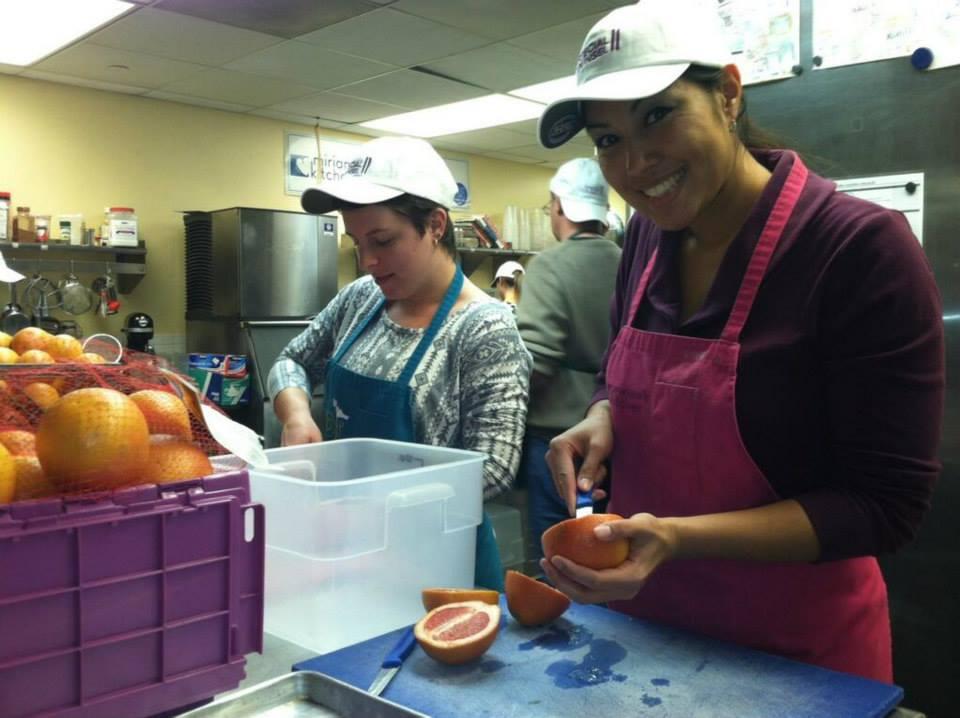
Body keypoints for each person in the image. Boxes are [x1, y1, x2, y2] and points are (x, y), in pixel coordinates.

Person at [536, 0, 944, 682]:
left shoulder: (858, 250)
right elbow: (621, 372)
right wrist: (603, 414)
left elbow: (884, 506)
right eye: (607, 140)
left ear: (727, 94)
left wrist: (676, 539)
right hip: (647, 642)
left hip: (799, 664)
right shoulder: (643, 238)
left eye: (657, 115)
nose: (634, 164)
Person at [268, 136, 532, 592]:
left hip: (435, 563)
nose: (368, 261)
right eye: (357, 242)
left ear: (434, 224)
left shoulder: (484, 328)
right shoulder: (361, 298)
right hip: (346, 548)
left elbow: (493, 467)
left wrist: (373, 505)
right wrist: (295, 414)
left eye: (384, 241)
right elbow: (290, 361)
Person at [515, 158, 622, 558]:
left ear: (558, 206)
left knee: (559, 554)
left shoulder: (549, 265)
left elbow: (536, 364)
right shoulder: (630, 262)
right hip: (618, 436)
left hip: (561, 441)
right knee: (607, 547)